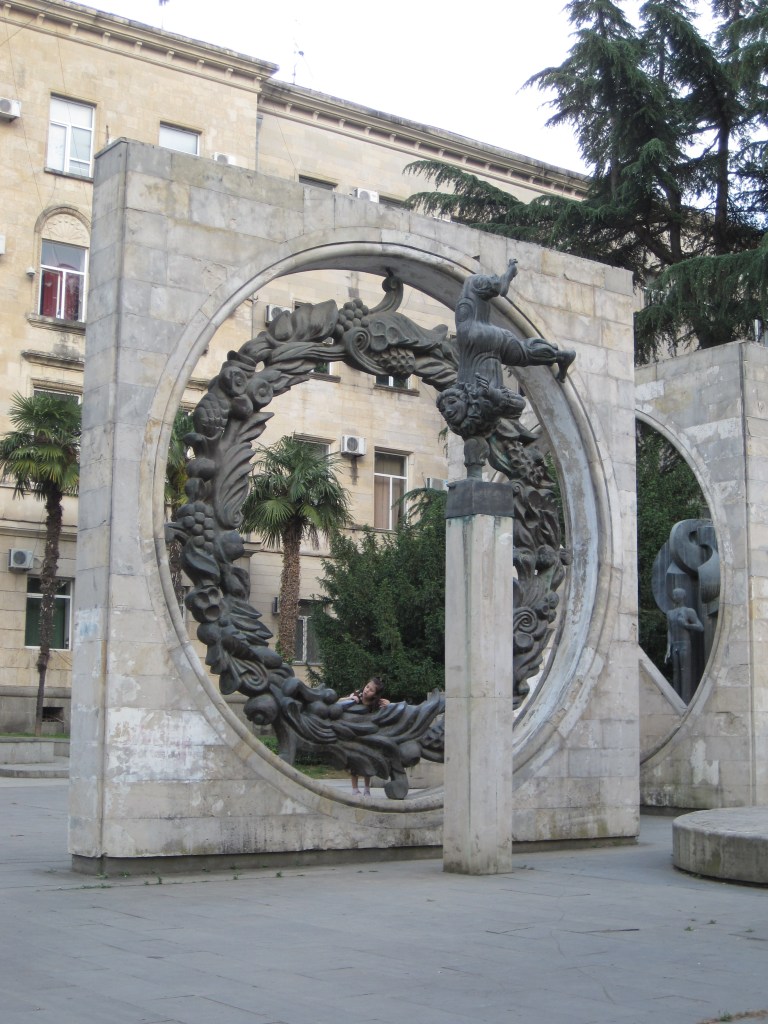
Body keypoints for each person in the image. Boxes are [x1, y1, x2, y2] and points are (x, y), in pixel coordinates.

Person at [341, 677, 390, 797]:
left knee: (368, 763)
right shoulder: (356, 696)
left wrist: (388, 704)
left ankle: (367, 789)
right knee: (353, 763)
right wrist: (350, 698)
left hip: (368, 737)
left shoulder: (376, 704)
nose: (367, 690)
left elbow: (389, 710)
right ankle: (355, 789)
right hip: (354, 735)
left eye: (371, 690)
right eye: (367, 686)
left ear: (375, 695)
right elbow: (339, 701)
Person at [665, 588, 705, 703]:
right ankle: (676, 701)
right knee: (676, 672)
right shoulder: (670, 613)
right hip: (674, 645)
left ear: (682, 596)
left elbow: (700, 627)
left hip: (685, 644)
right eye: (673, 594)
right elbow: (669, 631)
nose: (674, 596)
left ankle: (686, 701)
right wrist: (668, 648)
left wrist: (687, 625)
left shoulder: (688, 611)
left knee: (685, 671)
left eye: (676, 594)